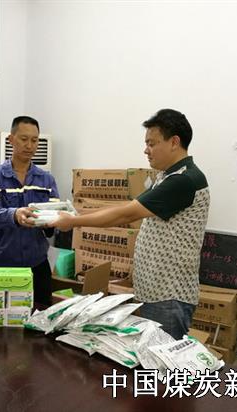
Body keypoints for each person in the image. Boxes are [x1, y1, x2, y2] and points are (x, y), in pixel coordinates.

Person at [50, 109, 210, 339]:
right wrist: (78, 213)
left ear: (174, 142)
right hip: (155, 292)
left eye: (152, 143)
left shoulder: (183, 180)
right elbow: (130, 208)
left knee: (160, 359)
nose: (146, 150)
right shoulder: (166, 176)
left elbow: (126, 214)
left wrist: (74, 221)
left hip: (168, 297)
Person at [0, 116, 59, 305]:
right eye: (24, 139)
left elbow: (54, 215)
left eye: (34, 140)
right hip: (1, 265)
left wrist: (53, 222)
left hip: (37, 264)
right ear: (11, 140)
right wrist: (14, 215)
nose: (29, 145)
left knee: (40, 316)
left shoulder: (46, 180)